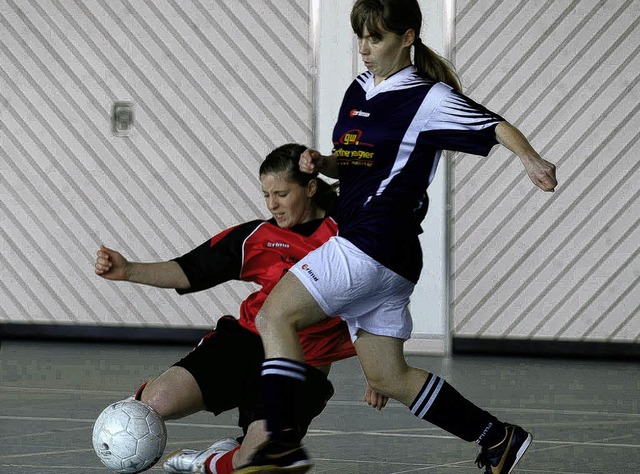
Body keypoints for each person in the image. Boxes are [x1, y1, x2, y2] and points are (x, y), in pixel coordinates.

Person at [234, 1, 558, 474]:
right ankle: (498, 438)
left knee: (273, 316)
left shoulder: (428, 97)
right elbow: (357, 161)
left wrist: (531, 159)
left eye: (376, 38)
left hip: (374, 240)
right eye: (360, 38)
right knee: (389, 377)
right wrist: (323, 165)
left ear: (407, 38)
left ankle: (280, 440)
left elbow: (494, 124)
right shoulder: (358, 88)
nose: (364, 49)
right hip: (391, 256)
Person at [93, 144, 372, 474]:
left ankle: (210, 462)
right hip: (245, 340)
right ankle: (226, 450)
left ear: (310, 188)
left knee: (257, 458)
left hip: (303, 363)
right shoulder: (259, 237)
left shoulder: (348, 236)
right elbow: (190, 269)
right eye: (266, 194)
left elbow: (378, 298)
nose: (273, 205)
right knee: (153, 403)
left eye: (281, 194)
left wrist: (378, 371)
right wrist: (128, 271)